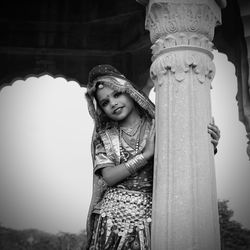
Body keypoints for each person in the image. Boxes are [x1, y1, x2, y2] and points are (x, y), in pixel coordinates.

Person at [85, 64, 220, 250]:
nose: (113, 103)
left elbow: (183, 158)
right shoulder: (105, 136)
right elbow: (108, 177)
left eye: (116, 94)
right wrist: (145, 155)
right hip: (111, 223)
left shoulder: (160, 124)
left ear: (129, 92)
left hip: (151, 220)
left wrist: (208, 146)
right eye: (105, 102)